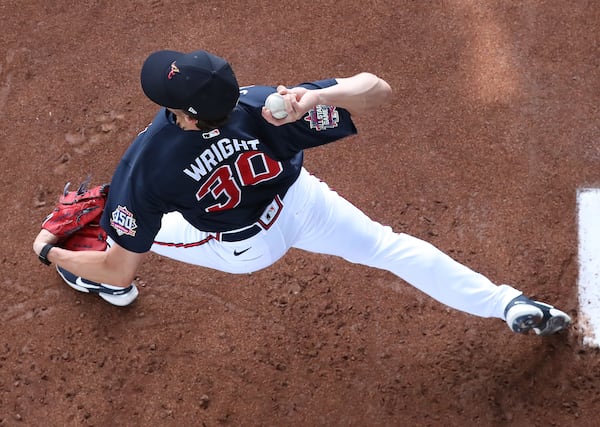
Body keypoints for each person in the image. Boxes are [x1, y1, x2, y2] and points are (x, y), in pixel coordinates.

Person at [33, 49, 571, 335]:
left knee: (107, 221)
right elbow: (376, 90)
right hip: (307, 205)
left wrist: (46, 249)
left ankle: (98, 289)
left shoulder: (145, 164)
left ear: (182, 114)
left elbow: (125, 263)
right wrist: (317, 98)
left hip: (241, 248)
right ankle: (510, 304)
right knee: (390, 247)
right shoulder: (263, 103)